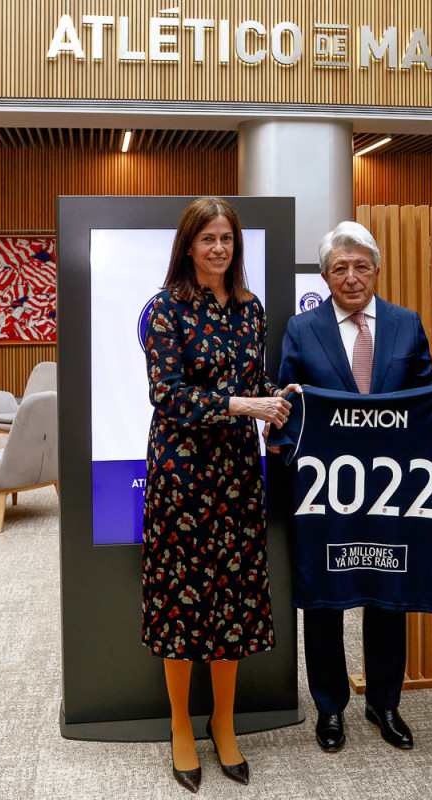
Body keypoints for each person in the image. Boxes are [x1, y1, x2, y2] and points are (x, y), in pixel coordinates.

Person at [277, 220, 432, 753]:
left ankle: (385, 703)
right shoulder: (302, 327)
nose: (352, 277)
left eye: (361, 267)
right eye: (340, 269)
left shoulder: (407, 324)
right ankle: (329, 708)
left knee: (389, 594)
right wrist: (279, 403)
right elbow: (288, 398)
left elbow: (424, 390)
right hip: (326, 487)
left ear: (377, 270)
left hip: (392, 490)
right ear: (325, 275)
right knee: (324, 596)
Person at [141, 196, 297, 793]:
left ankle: (223, 722)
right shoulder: (165, 311)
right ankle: (182, 724)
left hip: (236, 473)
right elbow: (169, 397)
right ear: (188, 245)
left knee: (230, 600)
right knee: (181, 601)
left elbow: (253, 379)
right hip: (181, 476)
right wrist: (243, 403)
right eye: (207, 238)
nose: (218, 248)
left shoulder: (251, 308)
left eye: (226, 238)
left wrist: (278, 394)